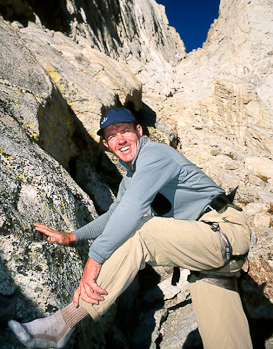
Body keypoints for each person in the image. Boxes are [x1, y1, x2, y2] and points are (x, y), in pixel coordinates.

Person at [8, 107, 253, 349]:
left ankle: (60, 326)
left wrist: (94, 260)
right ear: (106, 145)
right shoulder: (130, 178)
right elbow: (114, 216)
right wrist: (73, 236)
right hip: (207, 259)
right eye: (112, 136)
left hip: (225, 232)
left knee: (142, 233)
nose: (120, 140)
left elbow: (133, 210)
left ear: (139, 131)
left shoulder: (156, 155)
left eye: (125, 131)